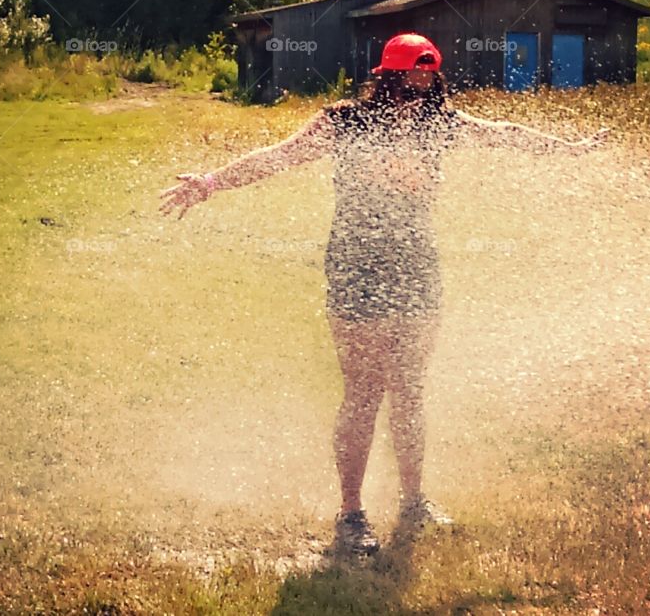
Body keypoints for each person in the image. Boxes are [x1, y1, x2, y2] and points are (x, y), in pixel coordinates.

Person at [159, 32, 607, 558]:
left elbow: (504, 134)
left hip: (416, 264)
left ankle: (414, 501)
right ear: (386, 78)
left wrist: (570, 149)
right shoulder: (343, 122)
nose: (419, 91)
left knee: (411, 389)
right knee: (365, 391)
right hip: (357, 267)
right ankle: (351, 513)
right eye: (409, 80)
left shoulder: (441, 122)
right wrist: (210, 182)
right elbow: (276, 158)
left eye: (428, 80)